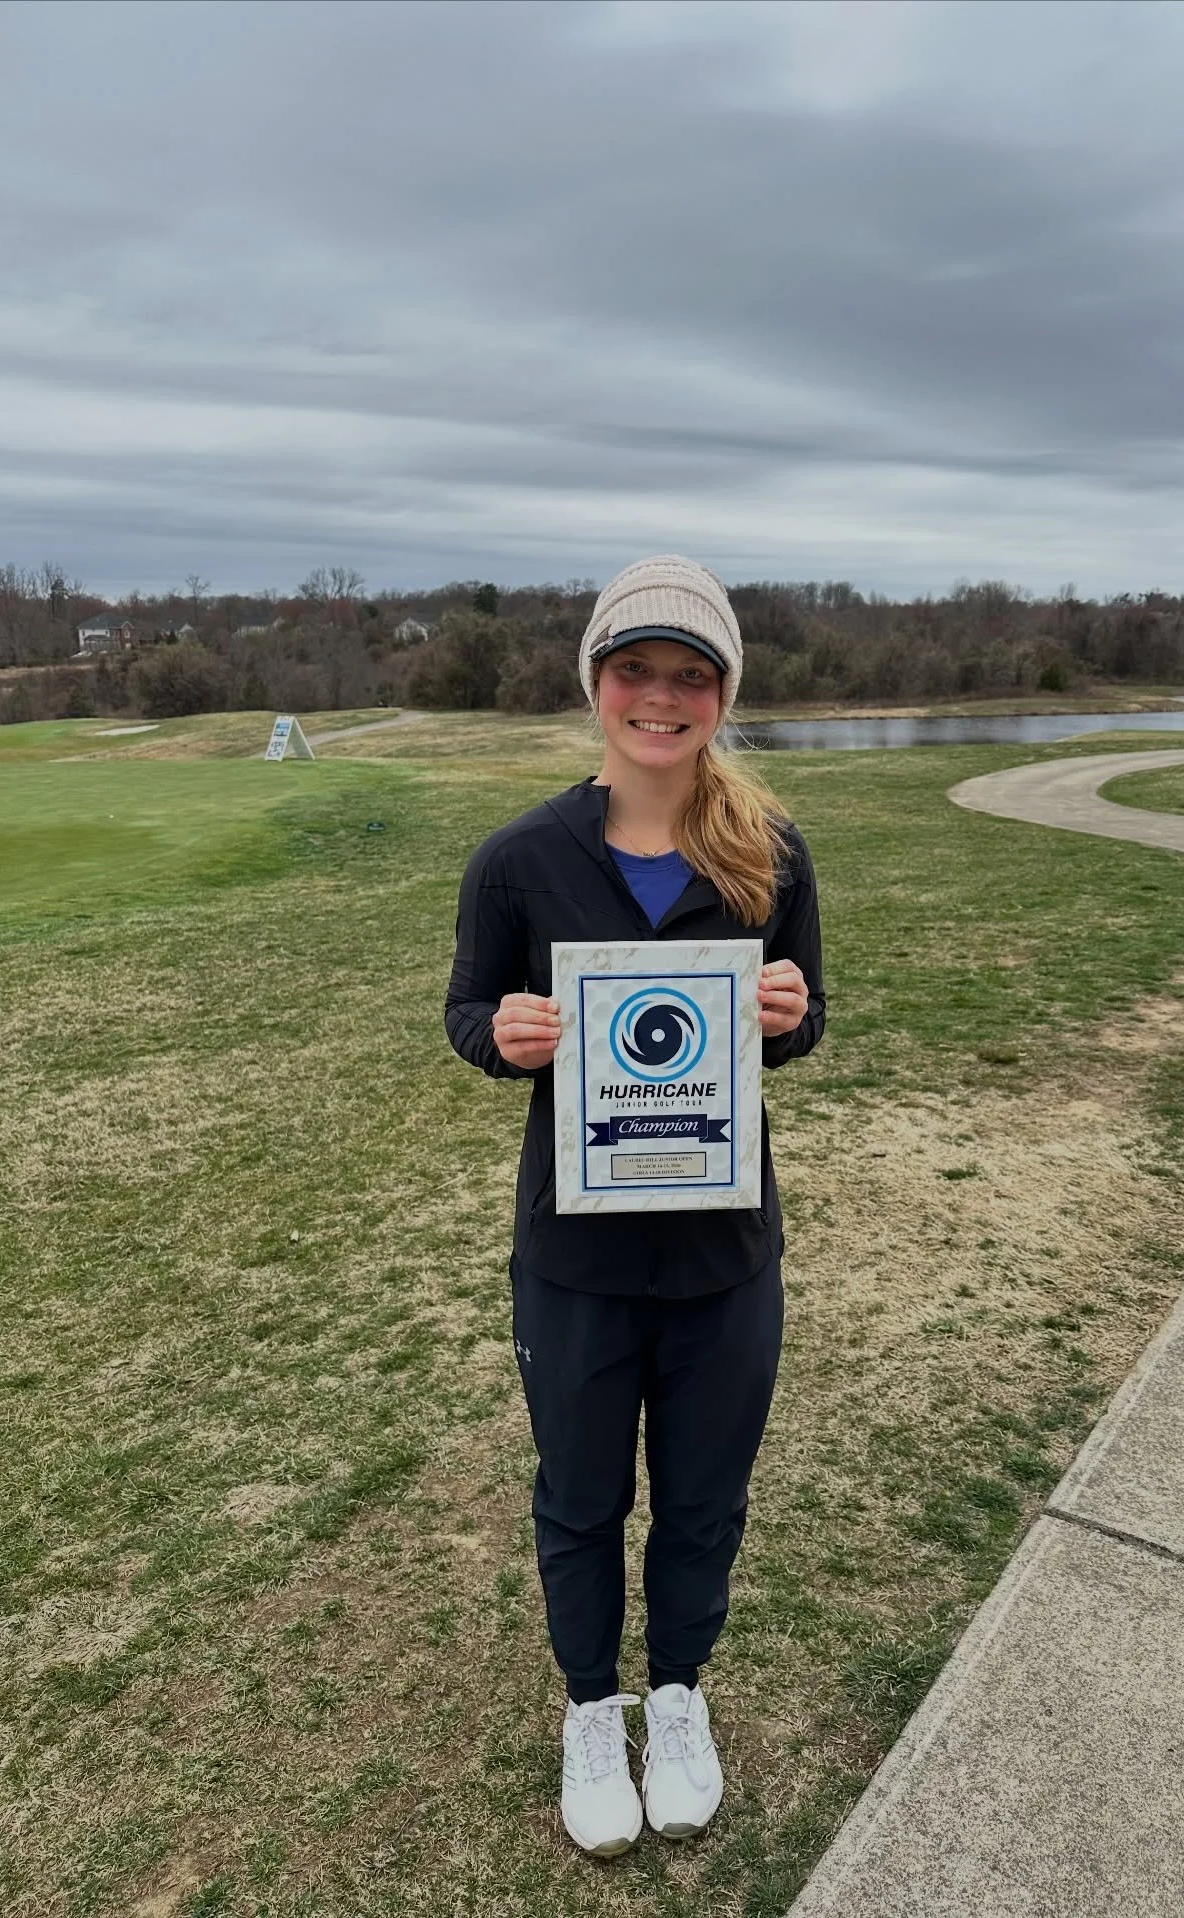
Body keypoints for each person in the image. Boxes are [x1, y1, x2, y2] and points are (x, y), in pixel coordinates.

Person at [444, 555, 825, 1857]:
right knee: (582, 1497)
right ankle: (590, 1708)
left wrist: (787, 1014)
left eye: (689, 674)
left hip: (724, 1254)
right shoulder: (520, 859)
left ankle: (677, 1695)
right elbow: (464, 1011)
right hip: (578, 1257)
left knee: (705, 1497)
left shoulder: (768, 850)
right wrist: (505, 1033)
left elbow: (801, 1017)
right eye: (635, 670)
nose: (660, 697)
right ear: (596, 684)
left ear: (720, 694)